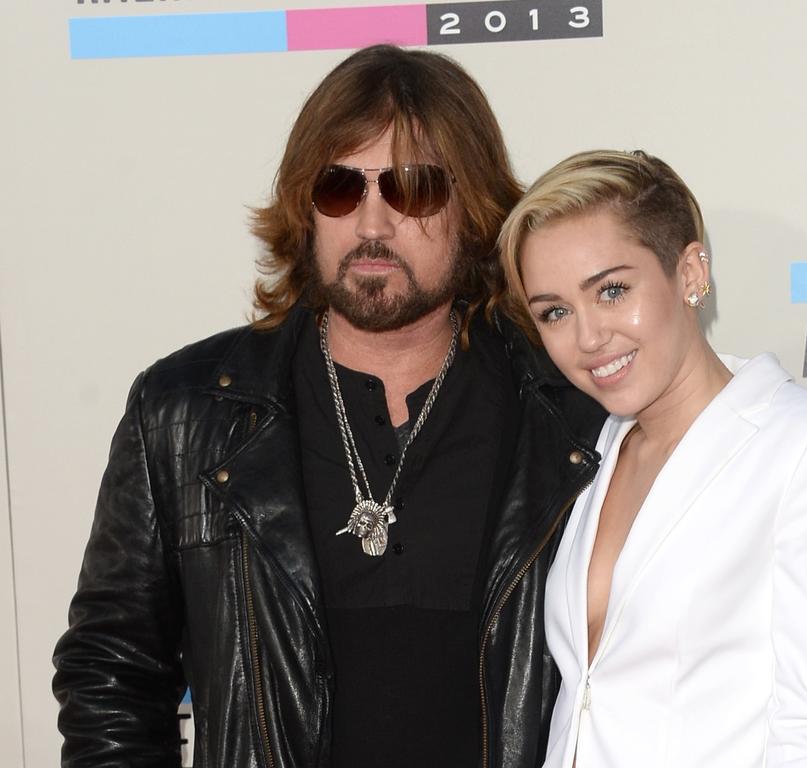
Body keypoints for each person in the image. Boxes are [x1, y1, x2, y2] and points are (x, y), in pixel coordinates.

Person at [52, 45, 604, 768]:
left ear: (472, 210)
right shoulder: (184, 414)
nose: (372, 223)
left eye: (414, 188)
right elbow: (112, 673)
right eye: (340, 188)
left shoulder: (568, 413)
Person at [498, 149, 807, 767]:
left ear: (689, 273)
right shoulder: (591, 454)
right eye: (555, 311)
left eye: (611, 290)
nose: (587, 337)